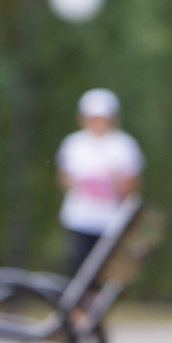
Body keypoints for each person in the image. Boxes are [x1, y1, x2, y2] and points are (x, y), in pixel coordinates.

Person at [56, 88, 144, 277]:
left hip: (111, 221)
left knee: (103, 272)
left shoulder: (124, 145)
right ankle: (78, 307)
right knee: (78, 266)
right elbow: (63, 179)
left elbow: (133, 188)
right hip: (79, 217)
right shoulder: (74, 144)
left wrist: (115, 180)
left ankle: (93, 305)